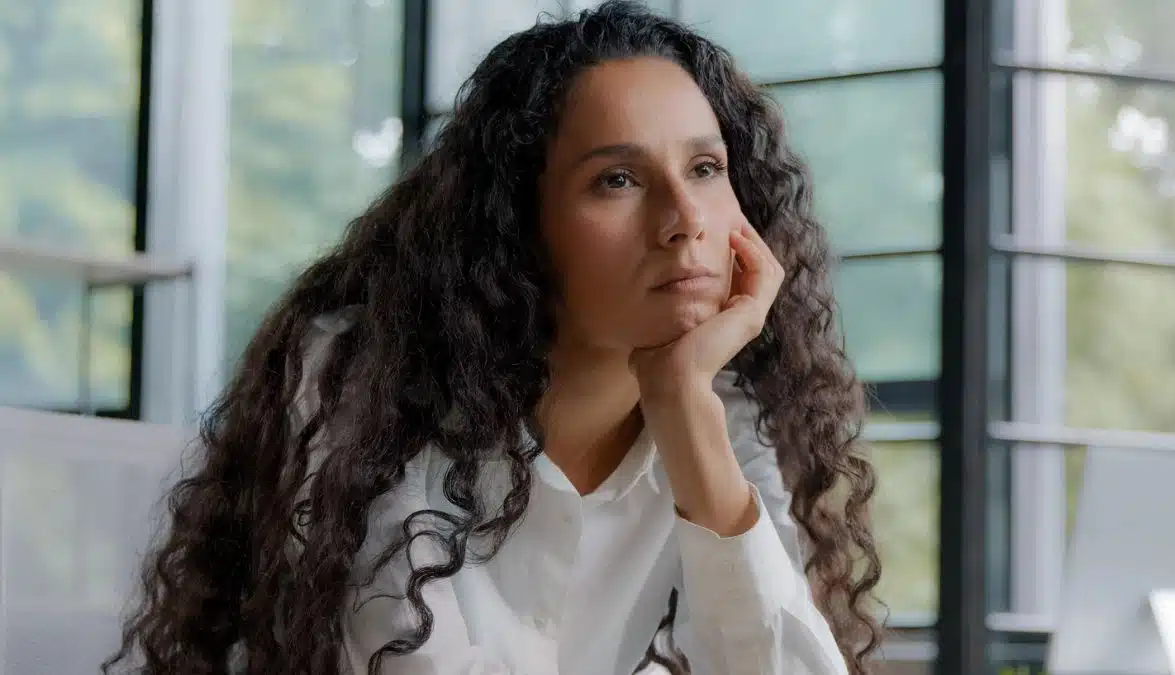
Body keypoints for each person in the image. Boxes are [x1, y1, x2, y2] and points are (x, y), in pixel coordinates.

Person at [105, 2, 881, 674]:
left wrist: (683, 405)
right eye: (618, 179)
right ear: (520, 223)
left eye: (706, 168)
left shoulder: (729, 413)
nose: (686, 219)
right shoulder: (362, 384)